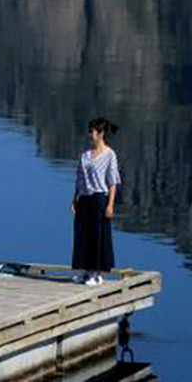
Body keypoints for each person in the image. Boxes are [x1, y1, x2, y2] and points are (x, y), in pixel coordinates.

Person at [71, 117, 120, 286]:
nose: (89, 134)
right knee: (82, 234)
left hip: (99, 198)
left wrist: (110, 204)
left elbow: (113, 181)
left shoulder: (109, 155)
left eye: (92, 131)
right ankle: (84, 270)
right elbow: (79, 178)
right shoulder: (85, 154)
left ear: (101, 134)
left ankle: (95, 273)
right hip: (84, 198)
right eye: (89, 131)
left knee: (97, 236)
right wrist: (74, 198)